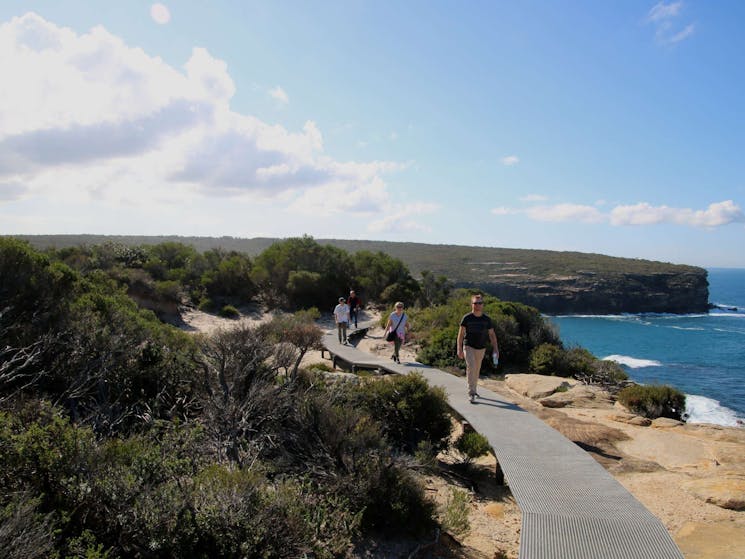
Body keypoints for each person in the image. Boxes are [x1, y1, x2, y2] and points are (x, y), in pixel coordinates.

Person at [457, 293, 499, 403]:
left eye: (480, 303)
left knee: (476, 369)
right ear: (472, 304)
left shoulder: (486, 319)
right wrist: (459, 349)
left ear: (483, 305)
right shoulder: (466, 318)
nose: (478, 305)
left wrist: (496, 349)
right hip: (468, 346)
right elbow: (460, 335)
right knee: (471, 366)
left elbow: (492, 335)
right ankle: (471, 392)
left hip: (481, 348)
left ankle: (474, 390)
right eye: (475, 303)